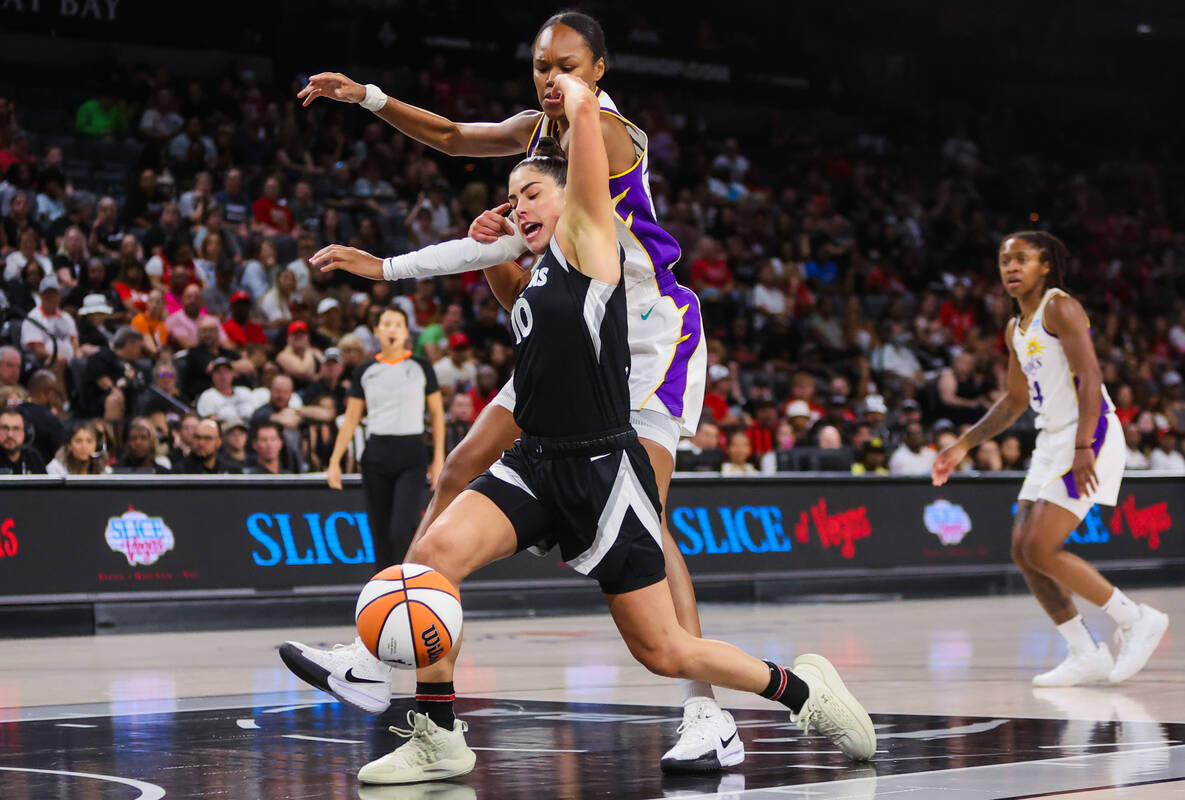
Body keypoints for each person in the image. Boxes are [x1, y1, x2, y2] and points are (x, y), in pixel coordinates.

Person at [289, 70, 873, 785]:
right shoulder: (535, 274)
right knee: (430, 560)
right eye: (511, 198)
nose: (518, 205)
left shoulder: (595, 240)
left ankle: (802, 691)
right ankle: (437, 732)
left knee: (663, 651)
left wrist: (577, 87)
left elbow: (585, 154)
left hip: (603, 470)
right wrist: (411, 264)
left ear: (576, 198)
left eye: (533, 192)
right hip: (535, 462)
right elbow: (488, 271)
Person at [933, 231, 1168, 687]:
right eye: (1004, 261)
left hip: (1091, 431)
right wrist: (961, 445)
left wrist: (1084, 446)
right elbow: (1014, 401)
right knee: (1023, 551)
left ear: (1045, 265)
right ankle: (1085, 652)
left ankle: (1135, 618)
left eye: (1022, 258)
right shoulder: (1015, 328)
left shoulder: (1060, 307)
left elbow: (1091, 375)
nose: (1011, 268)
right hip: (1050, 440)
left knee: (1042, 546)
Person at [311, 308, 444, 565]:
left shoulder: (421, 366)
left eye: (397, 324)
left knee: (402, 529)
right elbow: (351, 419)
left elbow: (437, 414)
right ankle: (384, 592)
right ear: (376, 331)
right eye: (386, 324)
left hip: (411, 452)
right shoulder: (365, 370)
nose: (392, 329)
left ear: (406, 332)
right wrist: (335, 460)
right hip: (376, 454)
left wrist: (439, 459)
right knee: (380, 533)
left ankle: (409, 583)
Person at [173, 418, 240, 474]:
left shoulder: (232, 471)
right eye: (197, 437)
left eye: (207, 438)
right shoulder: (180, 471)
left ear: (218, 442)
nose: (201, 443)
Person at [0, 408, 46, 474]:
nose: (10, 434)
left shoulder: (33, 458)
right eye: (5, 428)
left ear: (25, 433)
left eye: (16, 429)